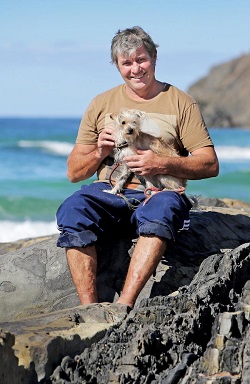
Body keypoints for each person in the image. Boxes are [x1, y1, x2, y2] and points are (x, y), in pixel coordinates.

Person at [56, 26, 219, 309]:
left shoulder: (180, 102)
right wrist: (100, 151)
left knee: (164, 208)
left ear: (154, 58)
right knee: (73, 208)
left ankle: (124, 307)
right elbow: (74, 172)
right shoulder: (101, 104)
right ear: (117, 66)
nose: (136, 69)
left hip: (158, 192)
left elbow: (209, 164)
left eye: (141, 59)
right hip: (110, 192)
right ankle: (90, 311)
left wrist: (161, 162)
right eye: (126, 63)